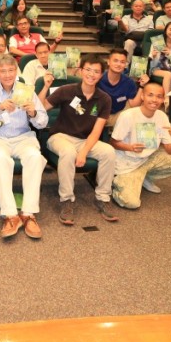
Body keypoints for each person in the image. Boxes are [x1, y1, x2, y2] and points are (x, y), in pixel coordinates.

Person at [0, 54, 49, 240]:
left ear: (16, 71)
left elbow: (43, 122)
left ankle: (28, 214)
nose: (7, 74)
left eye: (11, 70)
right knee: (1, 160)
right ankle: (10, 215)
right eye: (2, 71)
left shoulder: (26, 90)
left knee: (35, 158)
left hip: (23, 137)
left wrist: (33, 113)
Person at [46, 55, 119, 224]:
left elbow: (97, 131)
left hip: (85, 140)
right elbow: (42, 108)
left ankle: (103, 197)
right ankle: (66, 199)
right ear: (80, 71)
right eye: (88, 70)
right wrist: (45, 87)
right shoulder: (66, 90)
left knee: (108, 151)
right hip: (60, 136)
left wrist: (84, 152)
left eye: (96, 71)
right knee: (68, 152)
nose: (91, 74)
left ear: (101, 75)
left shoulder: (104, 99)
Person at [110, 82, 171, 209]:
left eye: (159, 96)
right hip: (127, 163)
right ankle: (118, 182)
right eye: (150, 95)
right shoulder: (128, 115)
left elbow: (170, 150)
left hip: (147, 159)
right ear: (142, 96)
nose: (154, 100)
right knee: (132, 203)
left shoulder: (162, 116)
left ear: (163, 99)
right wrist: (130, 147)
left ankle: (143, 176)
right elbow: (113, 142)